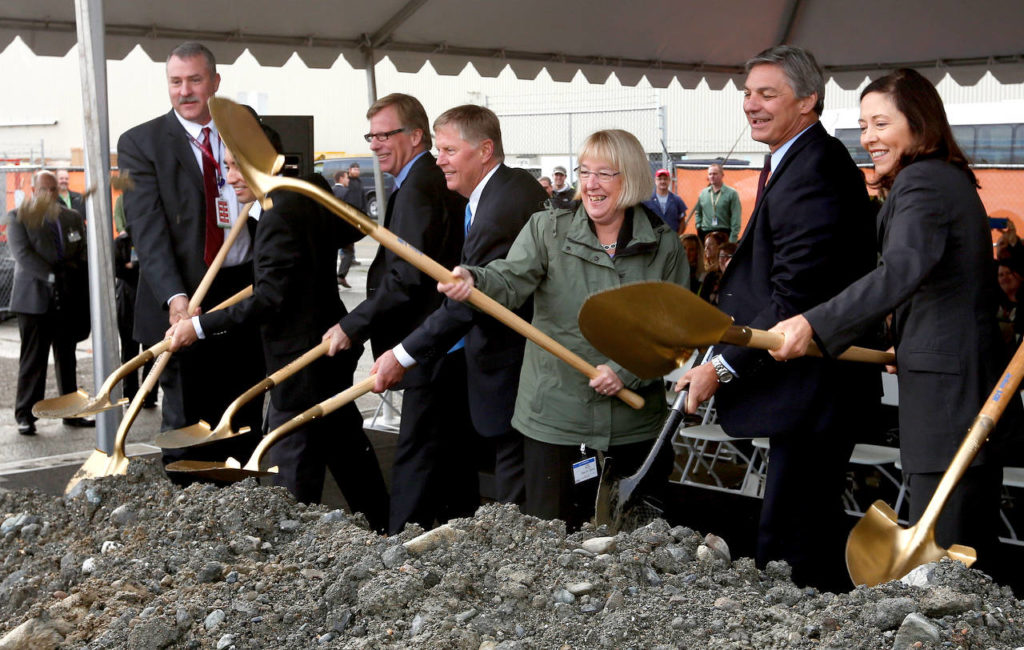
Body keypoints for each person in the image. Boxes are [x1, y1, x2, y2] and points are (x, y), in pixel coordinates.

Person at [769, 68, 1023, 581]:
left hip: (948, 399)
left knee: (946, 555)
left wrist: (812, 324)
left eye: (881, 123)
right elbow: (943, 289)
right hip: (960, 385)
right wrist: (897, 341)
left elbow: (902, 271)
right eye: (863, 125)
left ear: (918, 122)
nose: (868, 138)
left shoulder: (924, 181)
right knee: (968, 549)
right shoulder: (947, 179)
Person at [675, 45, 877, 593]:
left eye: (768, 94)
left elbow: (795, 294)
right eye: (747, 94)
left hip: (815, 390)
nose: (751, 106)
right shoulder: (793, 158)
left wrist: (718, 368)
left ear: (808, 100)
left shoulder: (814, 167)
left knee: (790, 548)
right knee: (794, 535)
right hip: (804, 390)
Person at [439, 129, 689, 531]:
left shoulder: (664, 247)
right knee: (554, 544)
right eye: (584, 171)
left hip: (633, 430)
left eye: (604, 174)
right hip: (554, 422)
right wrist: (474, 280)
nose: (590, 184)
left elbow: (674, 334)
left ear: (632, 178)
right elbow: (508, 279)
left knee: (632, 549)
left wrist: (625, 372)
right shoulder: (547, 229)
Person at [166, 130, 389, 532]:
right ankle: (386, 526)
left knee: (294, 464)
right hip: (326, 346)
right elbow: (346, 233)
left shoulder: (277, 214)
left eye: (235, 166)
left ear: (257, 161)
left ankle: (294, 551)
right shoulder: (305, 193)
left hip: (300, 359)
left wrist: (198, 326)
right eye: (226, 167)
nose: (230, 177)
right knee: (345, 447)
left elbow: (270, 300)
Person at [372, 104, 548, 506]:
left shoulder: (499, 210)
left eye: (449, 150)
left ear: (484, 150)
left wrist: (401, 355)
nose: (439, 160)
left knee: (517, 488)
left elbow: (470, 302)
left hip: (514, 372)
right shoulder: (506, 189)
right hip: (504, 368)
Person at [117, 41, 264, 482]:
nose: (185, 91)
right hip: (183, 293)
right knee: (187, 413)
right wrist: (175, 297)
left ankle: (242, 492)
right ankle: (192, 505)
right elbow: (147, 227)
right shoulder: (140, 143)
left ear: (214, 83)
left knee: (242, 402)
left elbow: (270, 193)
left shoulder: (243, 127)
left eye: (195, 80)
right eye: (176, 82)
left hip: (243, 288)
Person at [322, 93, 467, 535]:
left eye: (386, 134)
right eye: (372, 135)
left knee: (417, 451)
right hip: (438, 337)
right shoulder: (420, 180)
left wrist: (353, 324)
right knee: (442, 449)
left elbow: (406, 277)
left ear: (416, 135)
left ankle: (399, 543)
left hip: (428, 338)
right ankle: (454, 532)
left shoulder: (421, 183)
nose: (376, 144)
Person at [7, 170, 93, 434]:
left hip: (66, 299)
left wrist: (71, 278)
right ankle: (26, 415)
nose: (49, 194)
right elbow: (23, 255)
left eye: (53, 189)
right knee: (33, 360)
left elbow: (82, 251)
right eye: (43, 189)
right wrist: (53, 275)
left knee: (67, 358)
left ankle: (71, 412)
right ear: (34, 190)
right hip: (34, 300)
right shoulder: (18, 217)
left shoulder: (72, 217)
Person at [692, 163, 742, 243]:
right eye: (710, 174)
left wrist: (733, 238)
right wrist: (699, 227)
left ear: (722, 175)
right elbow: (698, 212)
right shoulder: (703, 193)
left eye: (715, 174)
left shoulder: (731, 193)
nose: (712, 176)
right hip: (705, 233)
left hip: (724, 233)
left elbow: (736, 217)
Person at [643, 168, 687, 233]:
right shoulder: (647, 201)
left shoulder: (677, 200)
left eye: (665, 179)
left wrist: (677, 237)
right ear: (655, 180)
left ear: (669, 180)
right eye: (660, 179)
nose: (663, 181)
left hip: (671, 237)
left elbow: (682, 221)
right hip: (653, 238)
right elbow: (642, 221)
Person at [332, 169, 355, 288]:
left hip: (330, 227)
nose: (348, 180)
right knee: (349, 253)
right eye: (347, 177)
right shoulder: (346, 192)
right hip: (343, 227)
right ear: (341, 178)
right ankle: (341, 276)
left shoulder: (330, 191)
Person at [697, 231, 727, 304]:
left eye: (710, 244)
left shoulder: (723, 270)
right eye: (705, 245)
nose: (707, 248)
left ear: (721, 246)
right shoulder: (703, 268)